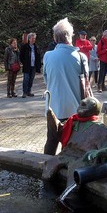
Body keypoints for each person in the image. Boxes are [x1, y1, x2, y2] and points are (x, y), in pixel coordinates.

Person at [43, 18, 89, 155]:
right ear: (70, 36)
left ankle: (45, 170)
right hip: (75, 112)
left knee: (51, 143)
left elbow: (47, 80)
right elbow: (86, 85)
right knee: (72, 147)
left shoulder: (47, 56)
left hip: (53, 110)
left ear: (55, 38)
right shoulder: (81, 57)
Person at [19, 32, 41, 98]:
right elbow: (21, 56)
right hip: (27, 66)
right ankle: (24, 92)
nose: (34, 40)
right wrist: (24, 62)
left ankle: (29, 91)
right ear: (29, 39)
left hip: (33, 66)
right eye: (32, 38)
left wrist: (39, 65)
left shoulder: (36, 47)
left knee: (31, 79)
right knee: (26, 79)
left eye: (34, 38)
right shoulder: (24, 47)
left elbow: (38, 56)